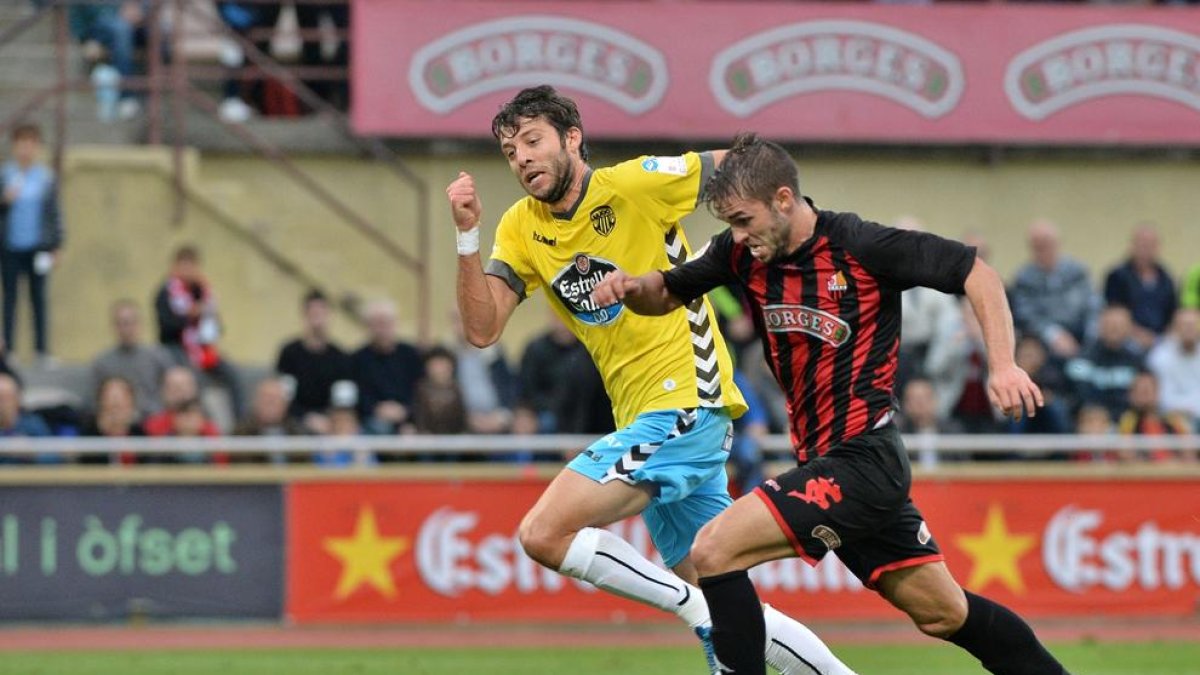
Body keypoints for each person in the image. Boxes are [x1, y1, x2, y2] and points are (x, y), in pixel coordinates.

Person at [593, 133, 1066, 675]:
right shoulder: (741, 253)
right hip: (828, 463)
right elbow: (670, 290)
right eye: (730, 225)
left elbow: (976, 274)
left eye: (744, 220)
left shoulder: (862, 246)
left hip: (864, 459)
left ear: (784, 200)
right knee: (943, 613)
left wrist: (1003, 364)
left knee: (714, 550)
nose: (737, 236)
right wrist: (632, 287)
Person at [446, 86, 851, 675]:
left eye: (533, 141)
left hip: (688, 401)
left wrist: (788, 236)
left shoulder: (634, 185)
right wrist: (466, 236)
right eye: (511, 151)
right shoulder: (520, 227)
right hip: (645, 419)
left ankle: (695, 613)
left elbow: (742, 164)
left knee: (543, 533)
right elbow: (482, 330)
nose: (522, 159)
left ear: (573, 139)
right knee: (736, 605)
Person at [153, 245, 243, 418]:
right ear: (175, 267)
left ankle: (239, 420)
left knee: (232, 374)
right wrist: (191, 315)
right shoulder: (166, 293)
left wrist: (209, 315)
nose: (187, 270)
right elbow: (167, 325)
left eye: (191, 265)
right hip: (175, 348)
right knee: (193, 379)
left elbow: (216, 329)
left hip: (204, 349)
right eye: (183, 265)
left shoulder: (203, 292)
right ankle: (200, 419)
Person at [1, 123, 63, 362]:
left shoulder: (46, 177)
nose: (25, 149)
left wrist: (56, 244)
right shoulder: (5, 175)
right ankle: (9, 350)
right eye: (21, 143)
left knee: (38, 299)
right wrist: (4, 200)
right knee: (10, 299)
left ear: (37, 147)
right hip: (10, 247)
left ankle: (42, 350)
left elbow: (55, 213)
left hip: (38, 247)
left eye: (31, 143)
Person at [1008, 219, 1099, 360]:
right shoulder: (1024, 278)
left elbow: (1092, 306)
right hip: (1043, 342)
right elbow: (1025, 316)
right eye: (1038, 247)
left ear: (1058, 244)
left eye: (1047, 245)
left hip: (1081, 336)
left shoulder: (1077, 272)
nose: (1043, 251)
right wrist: (1053, 334)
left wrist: (1090, 339)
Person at [275, 289, 351, 434]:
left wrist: (330, 421)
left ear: (330, 316)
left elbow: (343, 401)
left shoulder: (341, 357)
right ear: (304, 317)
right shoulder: (290, 353)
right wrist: (306, 417)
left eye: (321, 314)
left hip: (331, 423)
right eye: (312, 315)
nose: (317, 321)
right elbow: (285, 397)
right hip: (296, 421)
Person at [350, 299, 423, 436]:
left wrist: (405, 411)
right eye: (377, 323)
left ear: (395, 324)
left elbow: (419, 390)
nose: (382, 329)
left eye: (386, 323)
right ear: (368, 326)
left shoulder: (411, 355)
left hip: (409, 419)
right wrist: (376, 409)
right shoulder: (357, 359)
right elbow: (357, 395)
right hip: (371, 420)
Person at [91, 299, 174, 418]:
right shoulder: (102, 362)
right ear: (114, 326)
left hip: (154, 422)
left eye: (131, 322)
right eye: (122, 323)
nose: (127, 329)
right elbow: (95, 402)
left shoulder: (158, 356)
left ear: (140, 324)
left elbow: (171, 391)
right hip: (119, 424)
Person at [1103, 223, 1176, 349]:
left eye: (1150, 245)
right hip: (1127, 338)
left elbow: (1173, 313)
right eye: (1141, 243)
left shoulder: (1166, 278)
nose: (1145, 248)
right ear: (1132, 245)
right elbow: (1113, 313)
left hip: (1161, 340)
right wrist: (1138, 335)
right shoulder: (1117, 276)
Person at [1146, 308, 1200, 426]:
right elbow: (1158, 395)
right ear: (1174, 327)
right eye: (1184, 325)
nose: (1189, 329)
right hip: (1167, 420)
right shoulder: (1158, 356)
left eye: (1193, 325)